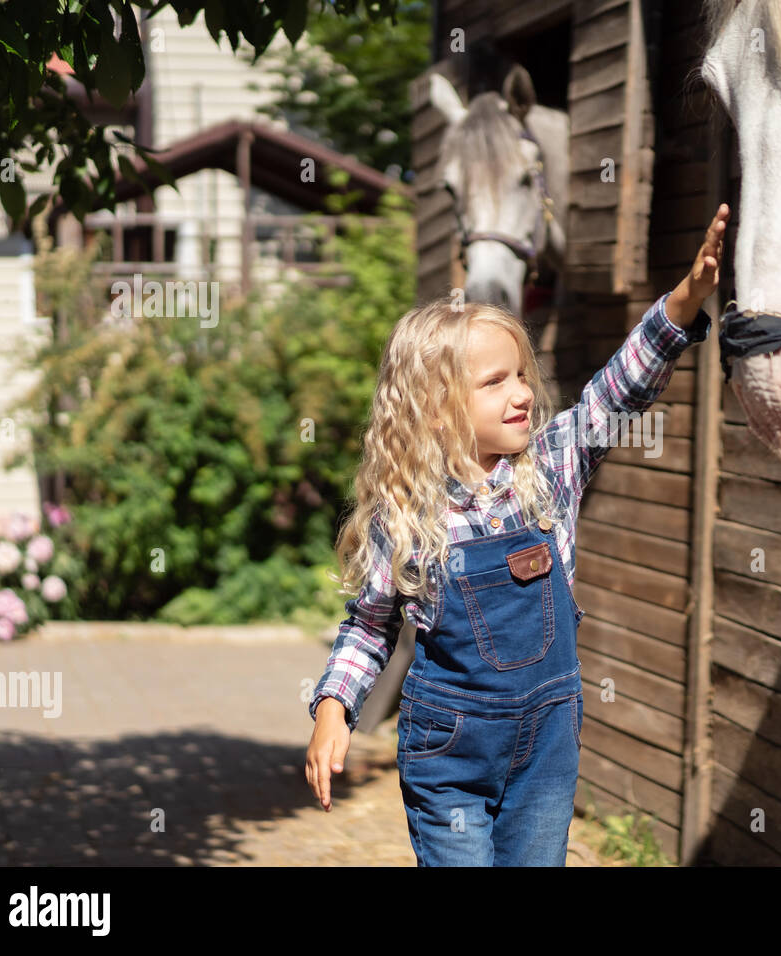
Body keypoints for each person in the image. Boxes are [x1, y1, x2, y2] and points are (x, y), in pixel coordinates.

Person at [305, 204, 730, 866]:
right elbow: (369, 626)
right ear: (436, 409)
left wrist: (682, 303)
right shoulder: (405, 515)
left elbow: (614, 396)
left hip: (547, 749)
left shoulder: (552, 467)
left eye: (522, 374)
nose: (523, 392)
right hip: (450, 752)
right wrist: (335, 705)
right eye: (495, 381)